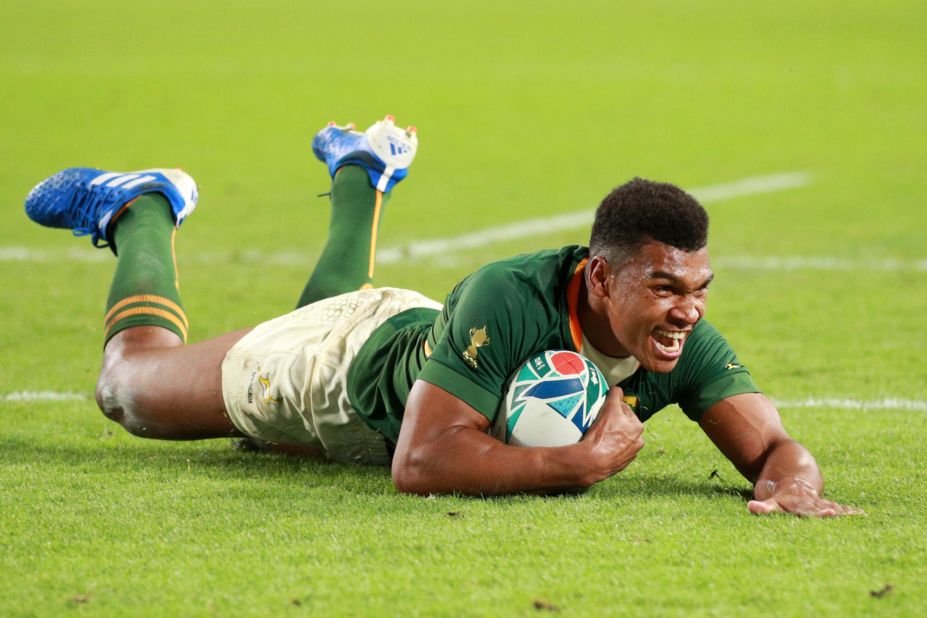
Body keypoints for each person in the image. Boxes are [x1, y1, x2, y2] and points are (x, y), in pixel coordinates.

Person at [25, 116, 858, 516]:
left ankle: (361, 168)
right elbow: (420, 465)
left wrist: (794, 484)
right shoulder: (511, 295)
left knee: (332, 307)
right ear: (600, 278)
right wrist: (580, 464)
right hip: (338, 375)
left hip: (419, 341)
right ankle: (141, 207)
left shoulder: (682, 341)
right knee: (127, 389)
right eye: (667, 289)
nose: (688, 311)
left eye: (700, 287)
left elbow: (774, 447)